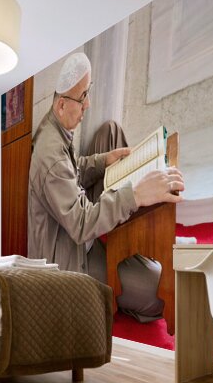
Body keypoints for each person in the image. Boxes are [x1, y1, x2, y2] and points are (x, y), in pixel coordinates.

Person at [27, 52, 184, 321]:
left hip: (77, 231)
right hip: (71, 260)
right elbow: (80, 225)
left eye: (87, 93)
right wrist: (135, 195)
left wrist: (103, 161)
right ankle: (122, 260)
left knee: (111, 132)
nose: (87, 104)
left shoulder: (55, 122)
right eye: (82, 98)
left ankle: (130, 237)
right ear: (63, 104)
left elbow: (72, 170)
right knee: (161, 292)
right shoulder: (50, 153)